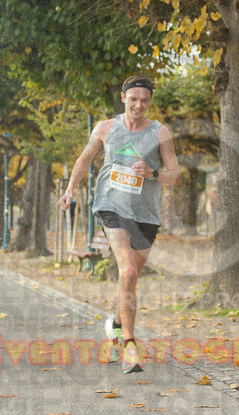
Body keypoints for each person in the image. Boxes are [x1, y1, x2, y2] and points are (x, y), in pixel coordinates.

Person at [58, 75, 181, 374]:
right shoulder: (105, 128)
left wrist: (152, 173)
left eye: (145, 100)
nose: (139, 105)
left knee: (130, 278)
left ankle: (114, 323)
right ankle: (129, 345)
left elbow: (175, 175)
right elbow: (85, 159)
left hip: (146, 215)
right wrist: (70, 189)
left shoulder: (160, 132)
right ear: (124, 97)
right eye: (133, 99)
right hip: (110, 207)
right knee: (128, 271)